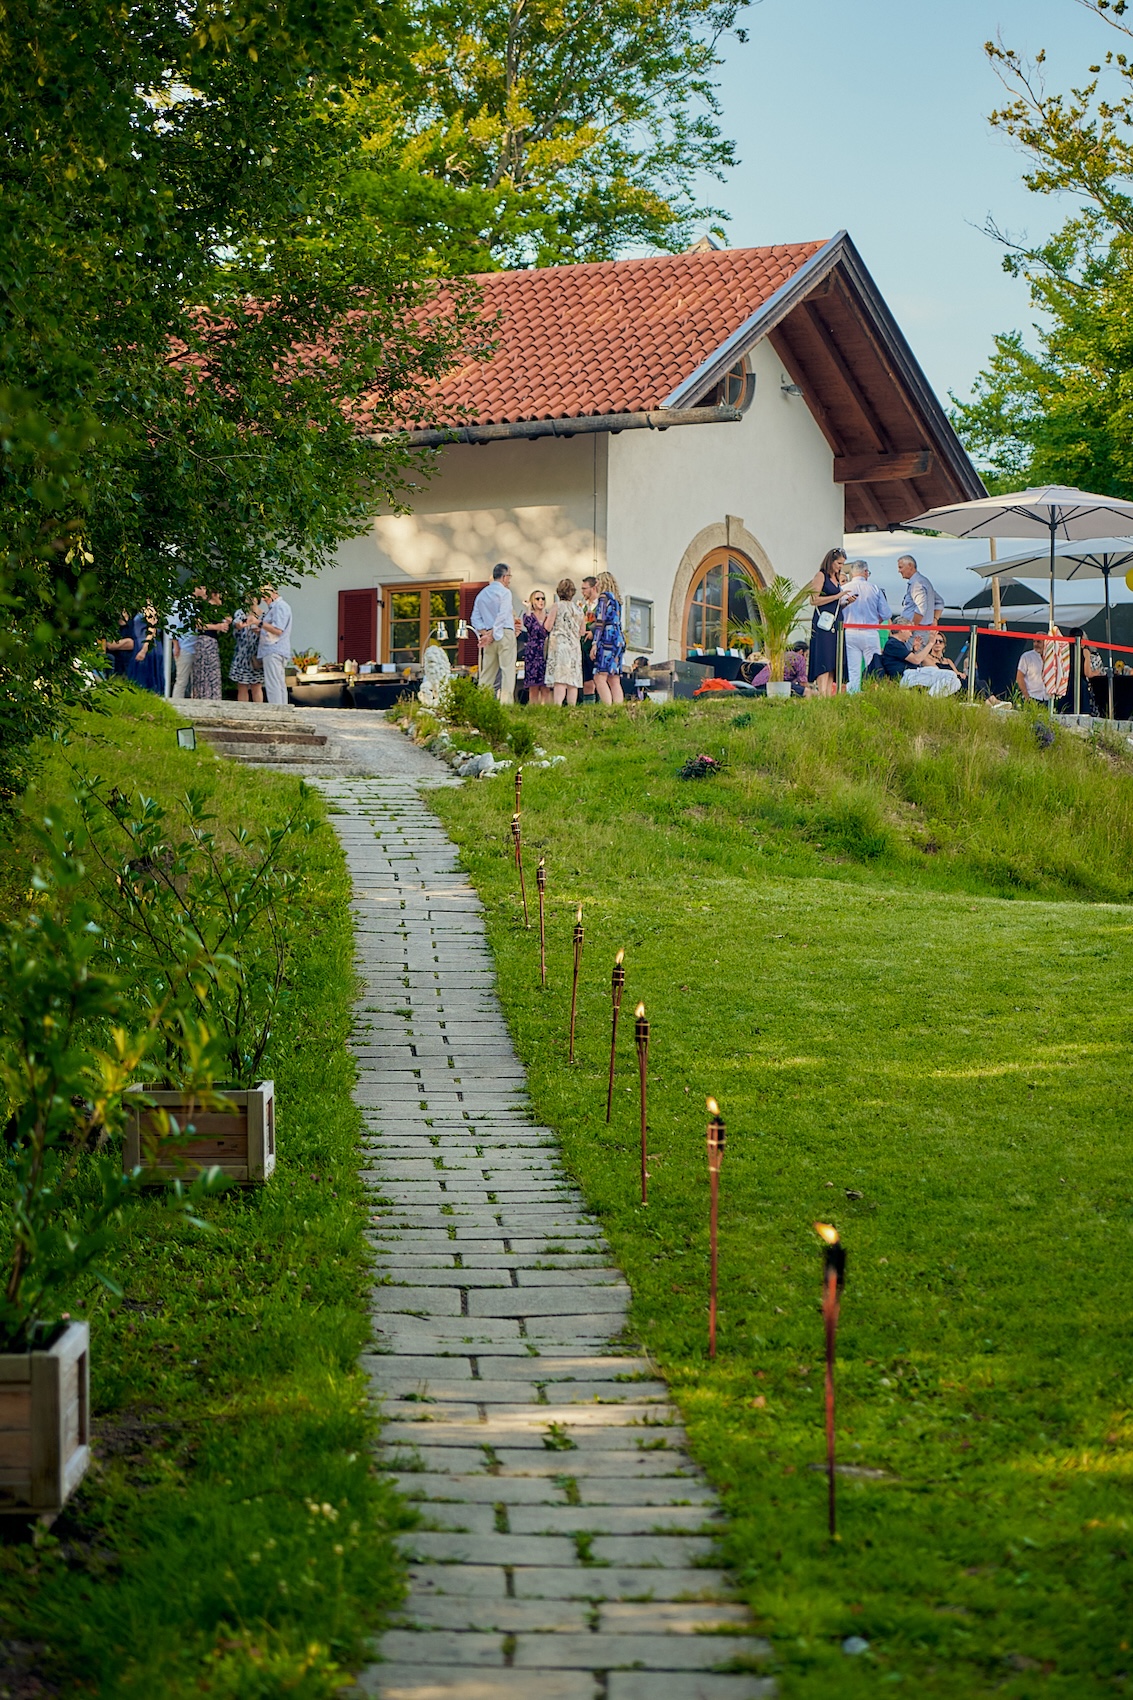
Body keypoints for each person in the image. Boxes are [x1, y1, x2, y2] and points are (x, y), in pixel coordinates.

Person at [471, 563, 520, 704]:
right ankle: (506, 705)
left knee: (487, 673)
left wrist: (484, 633)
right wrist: (492, 633)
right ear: (504, 577)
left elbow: (475, 618)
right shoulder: (505, 592)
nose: (510, 579)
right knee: (507, 671)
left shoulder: (482, 594)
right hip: (504, 634)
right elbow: (503, 615)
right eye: (509, 576)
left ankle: (482, 703)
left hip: (489, 637)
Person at [841, 561, 890, 693]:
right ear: (865, 572)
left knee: (854, 669)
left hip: (850, 630)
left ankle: (853, 694)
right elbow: (886, 613)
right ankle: (874, 692)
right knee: (874, 665)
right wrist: (877, 620)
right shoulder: (874, 588)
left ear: (852, 573)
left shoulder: (844, 588)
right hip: (870, 631)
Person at [808, 547, 848, 696]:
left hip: (835, 620)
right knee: (823, 655)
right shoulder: (821, 576)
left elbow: (835, 603)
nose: (840, 567)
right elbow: (813, 600)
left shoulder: (836, 578)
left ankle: (829, 692)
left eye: (842, 564)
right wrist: (836, 596)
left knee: (833, 658)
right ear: (830, 562)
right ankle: (821, 692)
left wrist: (846, 602)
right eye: (838, 563)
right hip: (823, 622)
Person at [544, 577, 584, 706]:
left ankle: (558, 705)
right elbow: (582, 632)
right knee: (573, 678)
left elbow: (548, 626)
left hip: (560, 644)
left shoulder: (557, 606)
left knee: (560, 678)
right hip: (574, 646)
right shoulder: (579, 610)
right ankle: (572, 706)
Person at [590, 570, 625, 704]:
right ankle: (618, 707)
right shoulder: (617, 601)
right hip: (618, 640)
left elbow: (600, 621)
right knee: (614, 678)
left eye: (597, 582)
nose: (596, 585)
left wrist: (595, 643)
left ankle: (608, 706)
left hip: (607, 639)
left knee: (600, 677)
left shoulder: (603, 598)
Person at [257, 585, 293, 705]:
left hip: (274, 649)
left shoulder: (280, 606)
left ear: (274, 592)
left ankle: (277, 710)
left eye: (265, 594)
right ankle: (281, 710)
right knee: (278, 682)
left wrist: (259, 623)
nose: (263, 598)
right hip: (275, 649)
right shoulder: (276, 607)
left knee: (274, 684)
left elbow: (278, 630)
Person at [900, 629, 962, 697]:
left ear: (944, 644)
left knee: (957, 682)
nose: (937, 643)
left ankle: (934, 697)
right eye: (935, 641)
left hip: (948, 684)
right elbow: (917, 661)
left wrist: (961, 674)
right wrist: (915, 650)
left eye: (940, 641)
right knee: (951, 675)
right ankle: (929, 696)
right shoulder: (926, 657)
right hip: (933, 679)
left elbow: (957, 673)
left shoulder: (948, 660)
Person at [190, 593, 230, 699]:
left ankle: (212, 695)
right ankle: (203, 694)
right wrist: (217, 626)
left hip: (213, 641)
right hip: (205, 640)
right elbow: (198, 624)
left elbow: (227, 620)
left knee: (212, 670)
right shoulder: (204, 607)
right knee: (205, 669)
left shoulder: (217, 610)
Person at [230, 595, 265, 703]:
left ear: (257, 599)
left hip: (256, 653)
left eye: (252, 597)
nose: (250, 600)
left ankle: (259, 711)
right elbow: (235, 624)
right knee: (242, 685)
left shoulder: (264, 615)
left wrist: (260, 632)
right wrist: (239, 625)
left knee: (256, 685)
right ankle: (243, 711)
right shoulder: (240, 613)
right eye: (247, 598)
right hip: (242, 653)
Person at [169, 591, 202, 699]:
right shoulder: (180, 604)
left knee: (195, 680)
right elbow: (172, 625)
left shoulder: (196, 605)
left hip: (195, 647)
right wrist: (176, 645)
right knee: (182, 679)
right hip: (184, 647)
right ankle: (176, 704)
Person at [126, 605, 164, 693]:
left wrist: (144, 650)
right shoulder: (142, 609)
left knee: (145, 676)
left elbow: (152, 630)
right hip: (139, 644)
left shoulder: (149, 609)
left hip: (146, 645)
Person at [521, 591, 550, 705]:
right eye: (537, 599)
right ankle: (534, 710)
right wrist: (528, 608)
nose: (541, 601)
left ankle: (547, 710)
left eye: (543, 598)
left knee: (546, 686)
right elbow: (528, 625)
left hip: (546, 650)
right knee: (533, 686)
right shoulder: (529, 616)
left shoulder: (548, 615)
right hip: (533, 652)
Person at [896, 554, 939, 631]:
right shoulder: (923, 581)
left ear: (910, 566)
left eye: (900, 567)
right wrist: (935, 619)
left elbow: (921, 608)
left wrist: (911, 628)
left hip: (916, 631)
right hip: (921, 629)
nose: (899, 571)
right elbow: (939, 602)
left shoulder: (917, 584)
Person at [869, 614, 914, 680]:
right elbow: (916, 660)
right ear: (902, 630)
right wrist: (930, 643)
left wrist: (914, 650)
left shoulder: (898, 643)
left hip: (908, 674)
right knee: (932, 672)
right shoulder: (894, 644)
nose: (911, 635)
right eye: (909, 631)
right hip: (905, 677)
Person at [579, 575, 599, 705]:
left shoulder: (601, 605)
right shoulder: (583, 607)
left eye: (585, 588)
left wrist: (592, 631)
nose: (583, 592)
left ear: (593, 588)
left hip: (596, 646)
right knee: (587, 680)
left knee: (598, 679)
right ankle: (588, 708)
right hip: (584, 647)